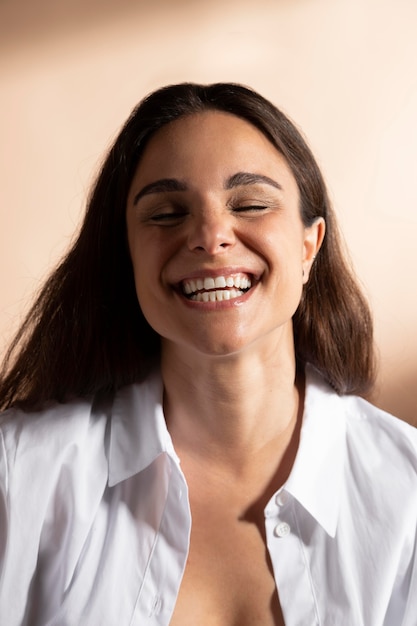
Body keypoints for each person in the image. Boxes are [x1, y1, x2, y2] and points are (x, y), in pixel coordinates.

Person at [0, 82, 416, 626]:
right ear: (127, 255)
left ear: (309, 246)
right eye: (167, 213)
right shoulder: (16, 475)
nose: (211, 235)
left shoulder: (409, 493)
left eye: (250, 203)